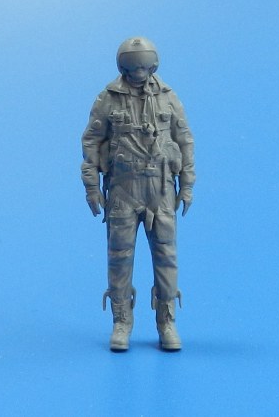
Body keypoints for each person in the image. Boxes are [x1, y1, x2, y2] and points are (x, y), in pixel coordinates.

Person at [81, 37, 195, 351]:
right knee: (119, 256)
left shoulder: (168, 97)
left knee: (166, 256)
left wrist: (186, 184)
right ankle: (121, 321)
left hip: (160, 187)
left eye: (144, 66)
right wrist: (92, 186)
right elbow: (91, 141)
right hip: (123, 188)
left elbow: (184, 140)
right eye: (133, 67)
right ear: (123, 67)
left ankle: (166, 320)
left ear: (153, 65)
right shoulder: (108, 98)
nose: (139, 72)